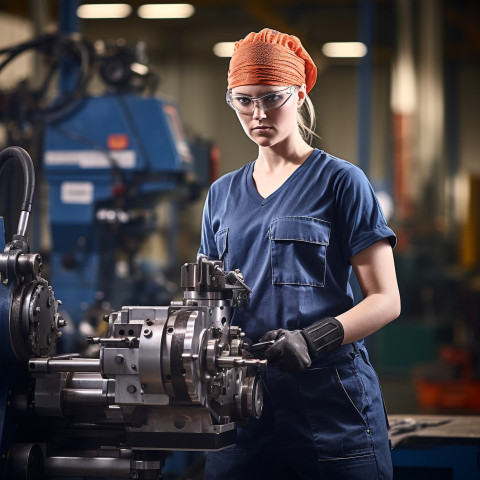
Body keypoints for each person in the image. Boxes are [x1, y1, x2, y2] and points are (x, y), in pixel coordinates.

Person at [198, 28, 400, 480]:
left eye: (272, 97)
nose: (258, 113)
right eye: (244, 100)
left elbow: (386, 299)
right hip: (242, 403)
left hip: (330, 403)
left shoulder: (341, 182)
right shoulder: (221, 194)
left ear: (300, 92)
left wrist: (312, 340)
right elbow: (206, 301)